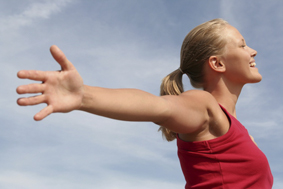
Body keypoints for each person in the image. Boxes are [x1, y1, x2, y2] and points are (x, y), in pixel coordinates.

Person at [16, 19, 273, 188]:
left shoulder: (239, 130)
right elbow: (159, 107)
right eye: (242, 45)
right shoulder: (203, 105)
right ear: (217, 63)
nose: (253, 51)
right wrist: (84, 96)